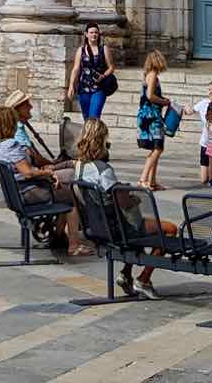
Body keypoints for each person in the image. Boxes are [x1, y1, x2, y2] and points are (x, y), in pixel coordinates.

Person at [75, 121, 177, 292]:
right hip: (117, 227)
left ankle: (126, 273)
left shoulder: (79, 166)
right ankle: (144, 279)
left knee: (138, 228)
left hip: (96, 225)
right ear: (100, 141)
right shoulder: (103, 170)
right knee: (170, 229)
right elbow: (121, 201)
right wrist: (132, 197)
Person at [0, 105, 80, 253]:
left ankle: (58, 236)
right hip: (27, 193)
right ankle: (73, 245)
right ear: (10, 124)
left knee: (63, 191)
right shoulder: (12, 146)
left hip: (17, 193)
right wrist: (46, 173)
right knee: (70, 199)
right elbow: (27, 173)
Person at [66, 21, 115, 124]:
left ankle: (95, 138)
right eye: (91, 32)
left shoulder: (104, 49)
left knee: (94, 117)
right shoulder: (81, 50)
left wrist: (103, 76)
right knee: (87, 119)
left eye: (96, 32)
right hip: (83, 89)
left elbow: (111, 67)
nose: (94, 35)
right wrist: (71, 85)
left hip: (99, 88)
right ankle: (92, 139)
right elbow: (75, 69)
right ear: (86, 34)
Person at [136, 49, 171, 191]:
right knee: (157, 148)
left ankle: (152, 181)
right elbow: (150, 96)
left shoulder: (151, 75)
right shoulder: (152, 75)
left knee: (157, 147)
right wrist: (164, 101)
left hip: (151, 115)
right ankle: (143, 179)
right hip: (151, 116)